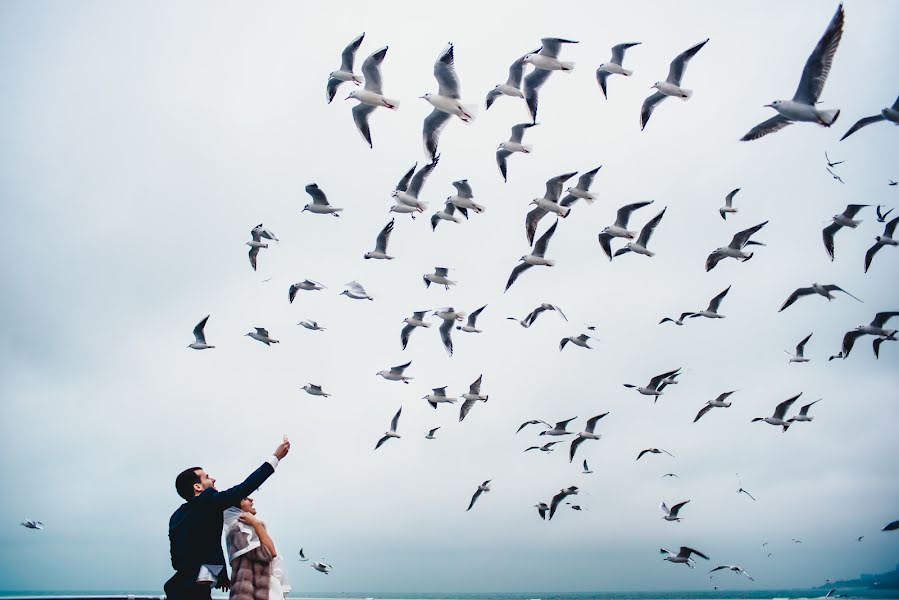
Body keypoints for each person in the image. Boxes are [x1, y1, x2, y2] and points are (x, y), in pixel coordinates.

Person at [164, 438, 290, 600]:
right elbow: (243, 488)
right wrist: (275, 458)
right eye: (207, 477)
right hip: (195, 590)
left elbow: (190, 552)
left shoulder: (176, 516)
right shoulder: (207, 501)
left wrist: (219, 574)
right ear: (198, 487)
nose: (214, 479)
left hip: (178, 587)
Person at [224, 497, 291, 600]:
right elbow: (269, 553)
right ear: (237, 507)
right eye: (245, 498)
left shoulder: (246, 528)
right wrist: (257, 524)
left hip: (254, 592)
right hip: (250, 593)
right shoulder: (238, 529)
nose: (252, 500)